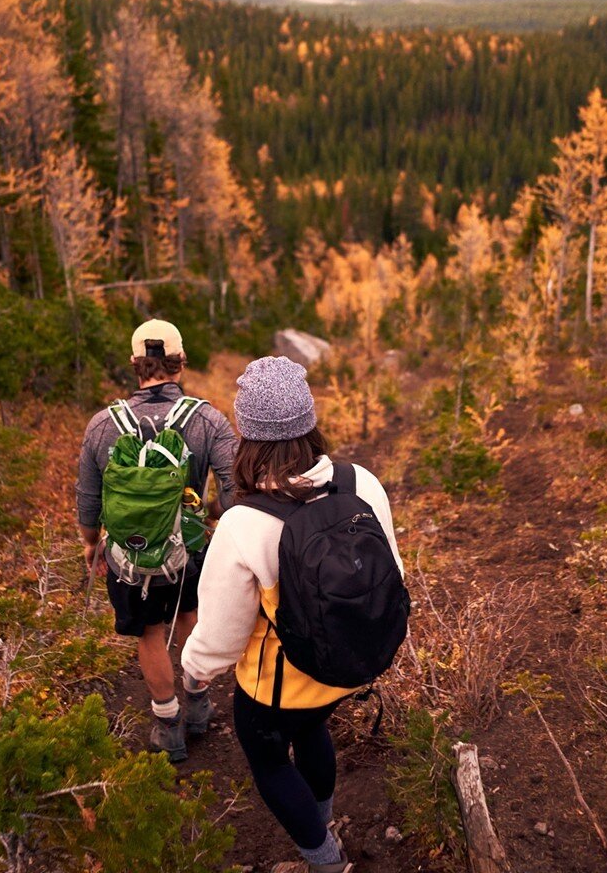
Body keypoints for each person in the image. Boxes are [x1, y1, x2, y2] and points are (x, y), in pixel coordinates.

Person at [182, 356, 406, 873]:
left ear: (249, 437)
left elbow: (221, 635)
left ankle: (325, 859)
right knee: (312, 730)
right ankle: (322, 817)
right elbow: (391, 572)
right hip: (348, 665)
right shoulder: (360, 483)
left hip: (278, 688)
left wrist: (195, 673)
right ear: (309, 424)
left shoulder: (245, 521)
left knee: (267, 757)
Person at [76, 319, 236, 762]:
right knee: (189, 614)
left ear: (135, 364)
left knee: (149, 631)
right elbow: (234, 488)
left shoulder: (101, 426)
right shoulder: (208, 420)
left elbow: (89, 500)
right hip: (191, 549)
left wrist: (92, 543)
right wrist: (211, 516)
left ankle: (167, 725)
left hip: (130, 554)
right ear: (180, 362)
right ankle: (198, 699)